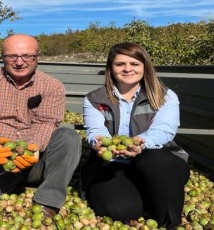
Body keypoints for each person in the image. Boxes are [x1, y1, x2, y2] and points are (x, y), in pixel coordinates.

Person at [0, 34, 82, 217]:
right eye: (11, 56)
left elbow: (47, 122)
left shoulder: (52, 86)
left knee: (68, 137)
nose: (19, 62)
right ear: (2, 57)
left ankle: (48, 202)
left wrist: (33, 147)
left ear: (37, 56)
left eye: (27, 56)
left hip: (35, 161)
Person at [80, 42, 190, 229]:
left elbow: (164, 130)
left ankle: (170, 222)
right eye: (120, 64)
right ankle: (147, 193)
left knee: (157, 161)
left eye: (134, 63)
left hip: (155, 159)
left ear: (144, 66)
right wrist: (98, 141)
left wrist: (141, 143)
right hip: (113, 163)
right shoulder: (94, 98)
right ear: (111, 68)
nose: (127, 69)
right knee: (121, 212)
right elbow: (94, 130)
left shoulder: (164, 96)